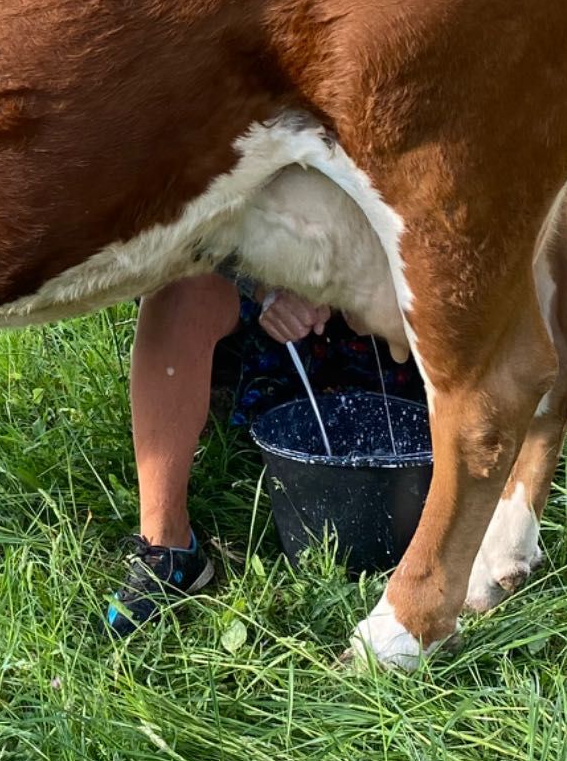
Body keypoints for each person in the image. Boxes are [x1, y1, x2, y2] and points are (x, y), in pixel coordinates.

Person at [105, 270, 425, 637]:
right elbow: (195, 231)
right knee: (177, 284)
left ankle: (474, 508)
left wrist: (373, 286)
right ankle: (168, 545)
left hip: (399, 320)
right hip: (272, 317)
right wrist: (263, 285)